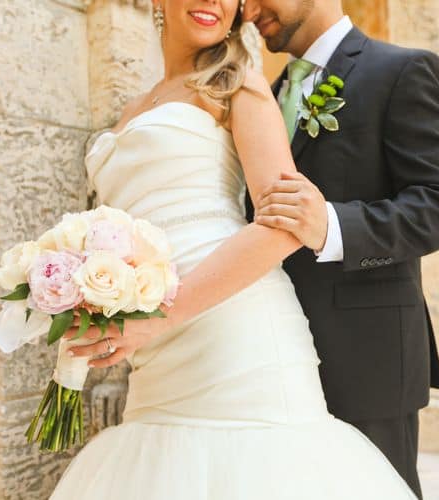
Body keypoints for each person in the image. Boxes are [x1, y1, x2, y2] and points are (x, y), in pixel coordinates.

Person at [50, 0, 420, 498]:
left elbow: (286, 225)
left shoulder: (237, 85)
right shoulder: (131, 111)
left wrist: (160, 315)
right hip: (155, 351)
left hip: (236, 335)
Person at [240, 1, 439, 497]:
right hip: (271, 356)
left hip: (368, 360)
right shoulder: (265, 96)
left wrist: (331, 225)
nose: (249, 9)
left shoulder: (402, 70)